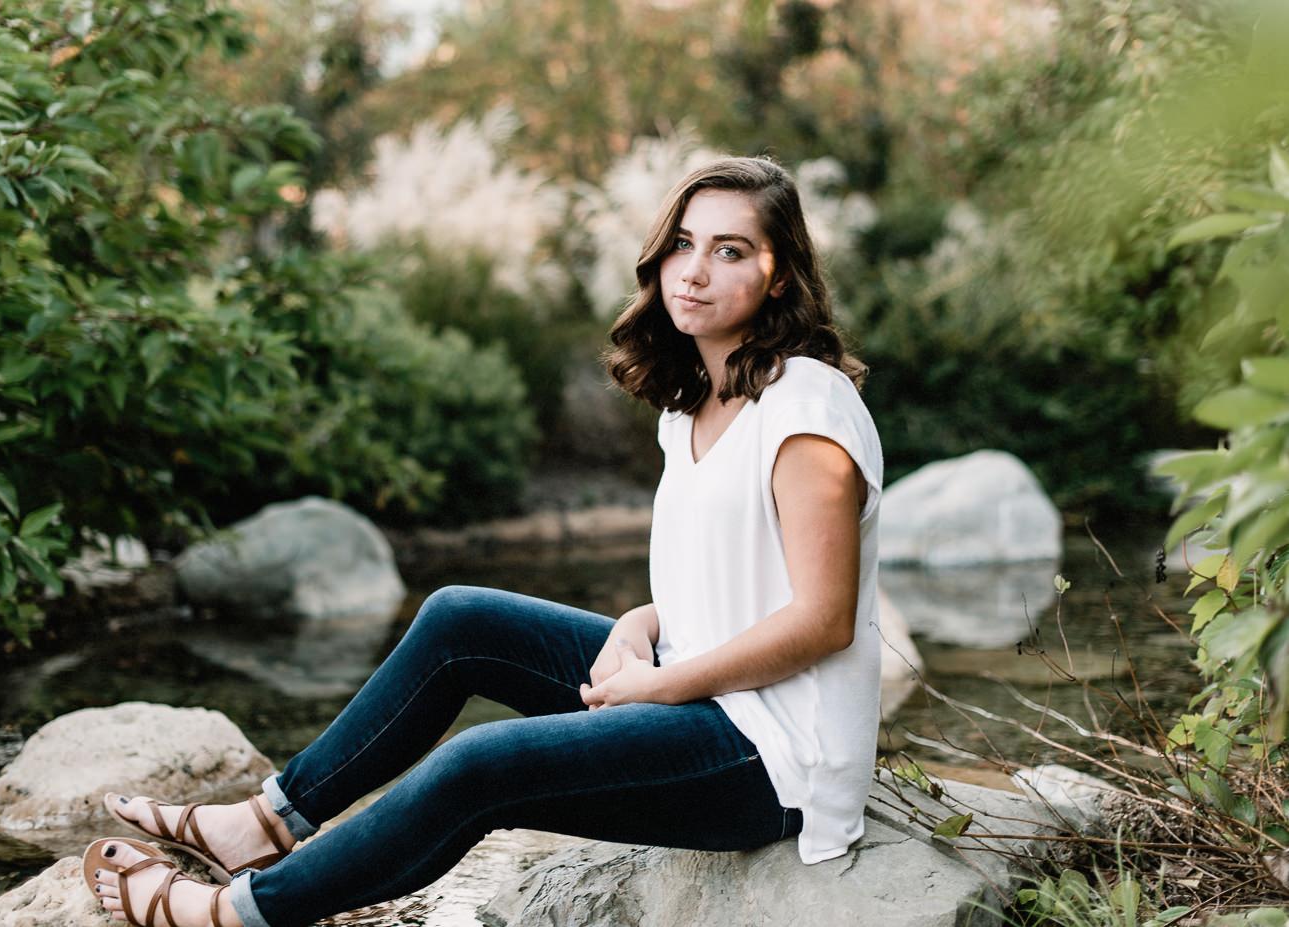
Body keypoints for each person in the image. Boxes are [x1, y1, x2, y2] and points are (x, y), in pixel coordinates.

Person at [81, 156, 884, 927]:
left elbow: (821, 619)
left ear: (778, 275)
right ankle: (266, 819)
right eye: (681, 242)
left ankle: (233, 911)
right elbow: (732, 583)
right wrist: (639, 628)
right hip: (701, 693)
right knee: (460, 617)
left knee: (480, 764)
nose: (693, 269)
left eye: (728, 250)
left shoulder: (804, 407)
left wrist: (659, 686)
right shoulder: (692, 404)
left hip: (773, 762)